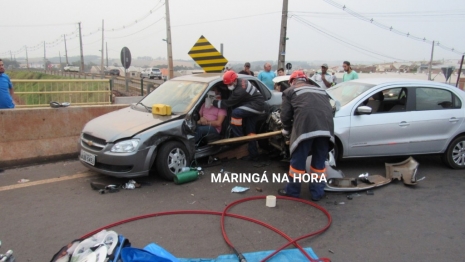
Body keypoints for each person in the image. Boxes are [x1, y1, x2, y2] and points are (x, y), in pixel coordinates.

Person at [277, 70, 334, 201]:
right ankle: (317, 193)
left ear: (292, 82)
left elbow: (285, 115)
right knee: (319, 162)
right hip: (326, 129)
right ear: (306, 80)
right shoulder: (321, 90)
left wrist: (286, 129)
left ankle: (292, 191)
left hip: (306, 129)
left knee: (298, 161)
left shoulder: (289, 91)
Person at [213, 71, 265, 160]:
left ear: (234, 80)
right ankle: (254, 154)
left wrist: (213, 102)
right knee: (250, 131)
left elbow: (228, 103)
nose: (228, 86)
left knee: (235, 113)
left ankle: (239, 137)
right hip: (252, 104)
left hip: (256, 105)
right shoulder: (240, 80)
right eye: (227, 84)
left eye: (229, 84)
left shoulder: (240, 90)